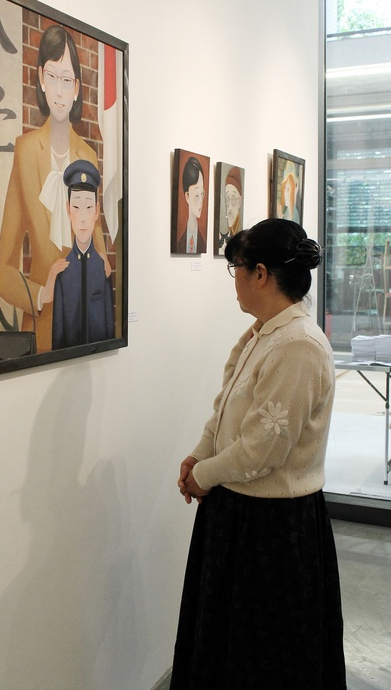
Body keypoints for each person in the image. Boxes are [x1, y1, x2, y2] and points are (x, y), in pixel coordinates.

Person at [171, 218, 346, 690]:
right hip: (238, 514)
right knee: (227, 645)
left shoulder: (299, 346)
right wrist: (199, 455)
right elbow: (227, 407)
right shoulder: (264, 333)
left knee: (264, 655)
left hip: (273, 526)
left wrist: (203, 474)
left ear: (262, 274)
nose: (236, 282)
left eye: (238, 269)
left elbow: (261, 450)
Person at [0, 25, 109, 353]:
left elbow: (100, 254)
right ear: (41, 79)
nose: (59, 91)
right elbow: (2, 270)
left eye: (67, 80)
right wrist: (41, 294)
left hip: (87, 326)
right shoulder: (26, 152)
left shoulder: (88, 156)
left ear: (77, 89)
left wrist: (100, 268)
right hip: (43, 326)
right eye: (52, 77)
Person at [52, 160, 114, 349]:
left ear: (96, 211)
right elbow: (58, 335)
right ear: (68, 209)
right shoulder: (63, 272)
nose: (83, 219)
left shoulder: (102, 268)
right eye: (76, 207)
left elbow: (109, 327)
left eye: (88, 207)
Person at [176, 157, 206, 254]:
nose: (201, 201)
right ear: (187, 196)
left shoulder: (203, 244)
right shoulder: (179, 244)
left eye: (202, 194)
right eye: (197, 195)